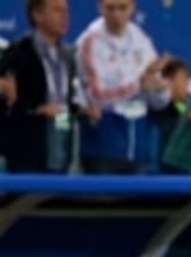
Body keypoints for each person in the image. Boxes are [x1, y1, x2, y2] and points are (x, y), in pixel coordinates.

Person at [76, 0, 168, 173]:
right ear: (100, 8)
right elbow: (96, 95)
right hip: (103, 142)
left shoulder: (141, 39)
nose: (116, 14)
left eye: (122, 8)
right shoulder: (89, 41)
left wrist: (158, 89)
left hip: (138, 143)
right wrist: (138, 84)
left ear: (132, 8)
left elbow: (158, 102)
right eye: (110, 8)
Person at [0, 0, 77, 172]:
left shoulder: (68, 55)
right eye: (57, 10)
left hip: (61, 143)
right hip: (28, 149)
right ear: (37, 15)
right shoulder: (19, 52)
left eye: (66, 11)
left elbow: (70, 98)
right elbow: (7, 104)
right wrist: (36, 109)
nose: (65, 16)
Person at [148, 57, 190, 168]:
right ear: (168, 80)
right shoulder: (158, 105)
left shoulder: (185, 105)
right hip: (160, 170)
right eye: (184, 79)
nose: (187, 84)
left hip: (182, 168)